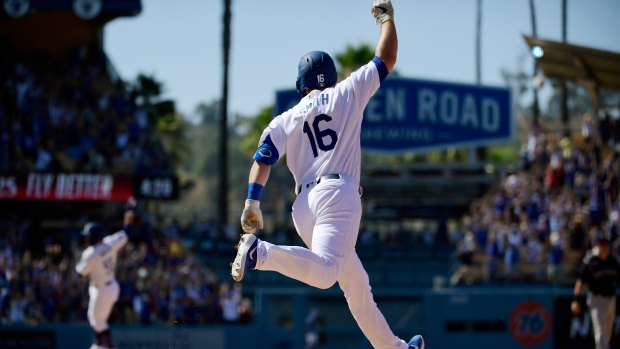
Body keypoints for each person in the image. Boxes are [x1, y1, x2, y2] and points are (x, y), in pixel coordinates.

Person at [230, 1, 424, 348]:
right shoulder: (346, 92)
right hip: (338, 195)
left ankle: (393, 347)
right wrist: (386, 20)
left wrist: (252, 202)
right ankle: (260, 253)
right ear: (331, 76)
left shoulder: (285, 117)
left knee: (356, 286)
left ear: (301, 85)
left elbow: (263, 160)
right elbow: (387, 57)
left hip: (304, 207)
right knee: (324, 275)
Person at [76, 197, 136, 349]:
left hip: (102, 289)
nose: (86, 238)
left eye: (88, 236)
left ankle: (107, 347)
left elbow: (80, 273)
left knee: (98, 322)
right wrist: (129, 212)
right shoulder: (110, 242)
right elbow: (127, 231)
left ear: (94, 237)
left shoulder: (90, 253)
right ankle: (99, 344)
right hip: (111, 286)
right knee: (95, 319)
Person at [571, 228, 620, 349]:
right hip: (596, 299)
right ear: (596, 246)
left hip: (610, 299)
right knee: (600, 333)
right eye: (600, 244)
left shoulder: (613, 262)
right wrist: (576, 299)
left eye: (605, 244)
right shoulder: (591, 262)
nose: (603, 247)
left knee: (606, 336)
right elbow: (581, 282)